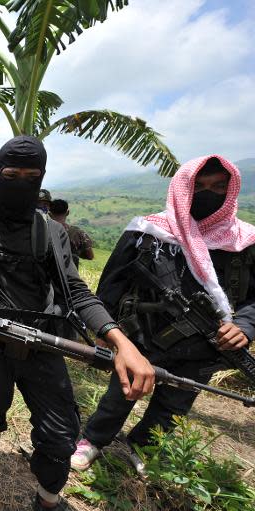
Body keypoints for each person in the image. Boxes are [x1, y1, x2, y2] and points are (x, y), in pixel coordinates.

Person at [0, 135, 155, 511]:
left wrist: (121, 341)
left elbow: (76, 291)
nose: (19, 182)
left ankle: (48, 498)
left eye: (30, 175)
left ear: (41, 179)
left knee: (59, 436)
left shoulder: (52, 233)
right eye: (10, 173)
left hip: (42, 345)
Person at [71, 155, 255, 475]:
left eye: (218, 187)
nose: (208, 194)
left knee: (174, 406)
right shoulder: (149, 231)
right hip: (143, 337)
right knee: (122, 393)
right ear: (183, 188)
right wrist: (107, 332)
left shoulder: (243, 241)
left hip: (204, 348)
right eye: (198, 187)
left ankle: (142, 446)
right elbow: (112, 284)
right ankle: (94, 439)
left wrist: (245, 325)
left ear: (231, 191)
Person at [48, 199, 94, 268]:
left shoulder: (42, 231)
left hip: (45, 276)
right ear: (67, 213)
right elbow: (90, 256)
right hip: (70, 275)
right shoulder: (77, 233)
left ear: (50, 214)